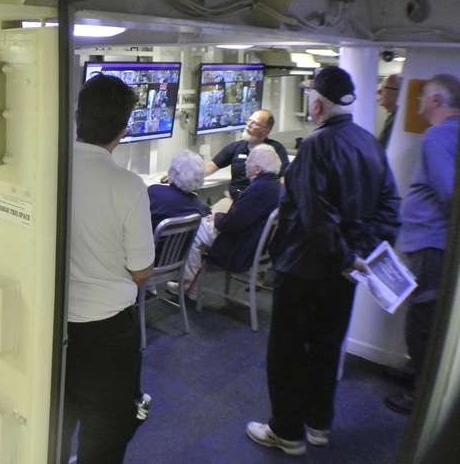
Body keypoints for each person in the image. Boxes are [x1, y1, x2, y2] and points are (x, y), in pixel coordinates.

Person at [246, 66, 400, 456]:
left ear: (316, 104)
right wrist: (360, 255)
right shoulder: (369, 143)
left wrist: (345, 256)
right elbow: (389, 207)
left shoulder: (315, 145)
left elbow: (316, 214)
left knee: (288, 351)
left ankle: (286, 431)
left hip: (304, 269)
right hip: (345, 275)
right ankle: (318, 423)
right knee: (328, 347)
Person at [62, 73, 156, 464]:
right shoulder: (128, 186)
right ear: (123, 130)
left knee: (55, 420)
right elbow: (141, 271)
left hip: (53, 326)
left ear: (76, 115)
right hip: (106, 333)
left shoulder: (51, 170)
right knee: (105, 431)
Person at [384, 74, 460, 415]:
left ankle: (421, 393)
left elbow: (448, 194)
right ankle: (417, 372)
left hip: (432, 243)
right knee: (427, 315)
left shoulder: (437, 136)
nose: (417, 104)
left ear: (436, 101)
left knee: (423, 320)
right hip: (436, 242)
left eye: (422, 98)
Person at [168, 143, 283, 296]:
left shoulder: (258, 189)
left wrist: (217, 217)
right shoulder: (276, 186)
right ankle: (190, 284)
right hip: (255, 245)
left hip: (239, 248)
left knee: (196, 228)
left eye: (248, 162)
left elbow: (230, 224)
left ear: (257, 169)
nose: (245, 165)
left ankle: (188, 287)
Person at [205, 109, 290, 199]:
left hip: (264, 199)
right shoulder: (237, 147)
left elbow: (285, 179)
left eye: (255, 123)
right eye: (249, 120)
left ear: (265, 131)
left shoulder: (275, 149)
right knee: (210, 212)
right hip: (237, 198)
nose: (248, 125)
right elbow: (209, 167)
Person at [148, 150, 209, 233]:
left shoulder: (154, 192)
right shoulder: (196, 203)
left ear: (172, 172)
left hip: (151, 245)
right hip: (183, 246)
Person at [377, 73, 401, 150]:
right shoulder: (393, 117)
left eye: (384, 88)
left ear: (398, 92)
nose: (379, 92)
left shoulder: (398, 120)